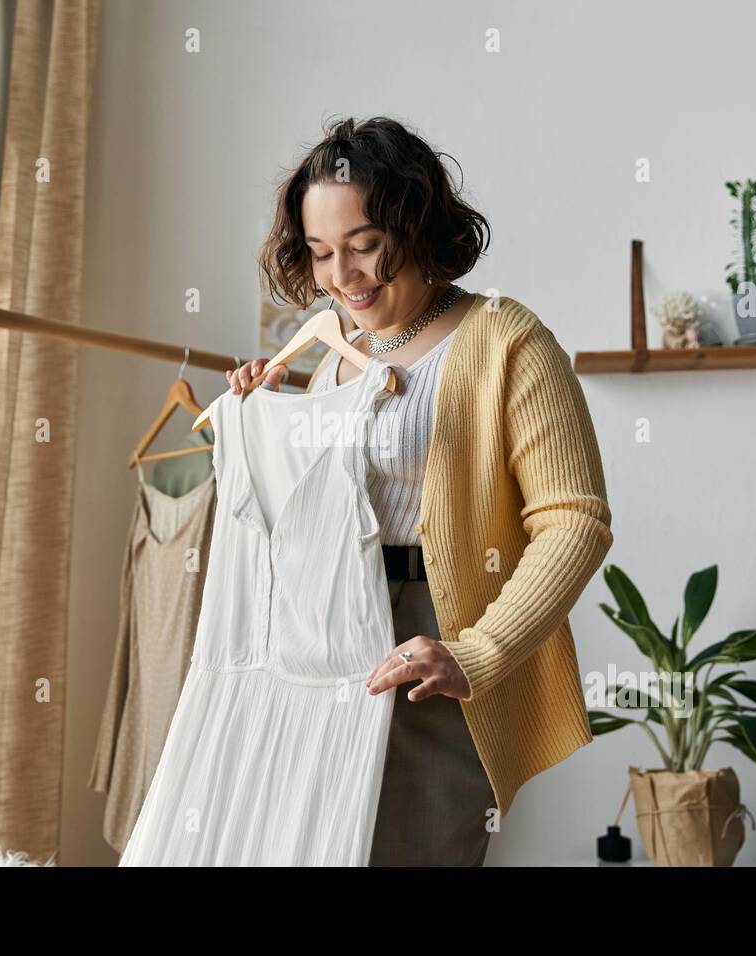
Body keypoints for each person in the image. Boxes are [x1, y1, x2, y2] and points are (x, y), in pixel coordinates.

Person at [227, 116, 614, 866]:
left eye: (364, 244)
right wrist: (261, 419)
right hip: (326, 634)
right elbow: (303, 515)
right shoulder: (331, 353)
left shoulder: (507, 339)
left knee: (415, 849)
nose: (343, 276)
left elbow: (576, 521)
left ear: (417, 222)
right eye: (320, 254)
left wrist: (476, 652)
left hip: (436, 630)